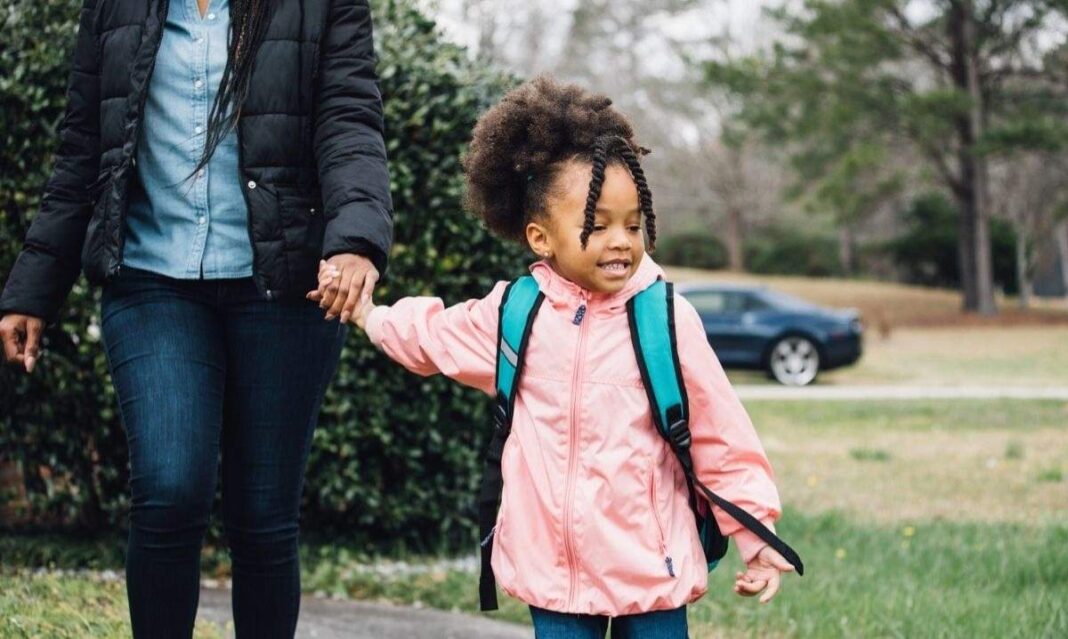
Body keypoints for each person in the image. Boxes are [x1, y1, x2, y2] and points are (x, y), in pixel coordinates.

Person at [311, 76, 795, 639]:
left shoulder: (664, 320)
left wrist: (757, 539)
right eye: (597, 224)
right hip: (554, 574)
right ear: (542, 238)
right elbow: (434, 337)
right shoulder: (517, 315)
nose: (621, 241)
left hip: (651, 569)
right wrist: (370, 313)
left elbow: (723, 438)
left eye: (633, 224)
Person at [0, 1, 391, 637]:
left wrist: (354, 240)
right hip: (151, 280)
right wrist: (32, 289)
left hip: (284, 287)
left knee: (263, 515)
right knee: (169, 487)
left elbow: (349, 121)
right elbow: (83, 148)